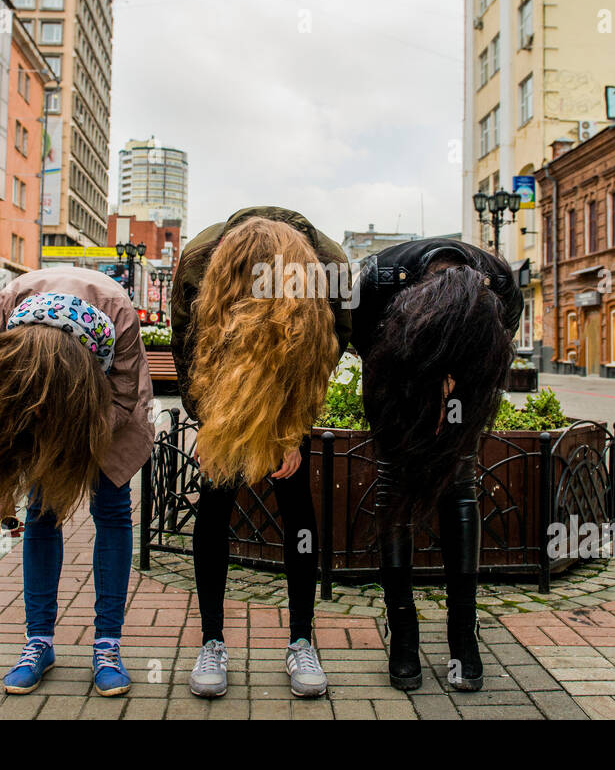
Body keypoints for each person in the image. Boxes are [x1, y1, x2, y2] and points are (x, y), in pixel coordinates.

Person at [170, 208, 351, 699]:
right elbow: (188, 347)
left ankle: (300, 639)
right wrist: (211, 424)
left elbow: (325, 351)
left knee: (298, 508)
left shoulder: (330, 268)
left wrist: (294, 429)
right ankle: (211, 641)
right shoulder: (198, 262)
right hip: (225, 374)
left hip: (291, 366)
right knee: (215, 503)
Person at [0, 268, 154, 696]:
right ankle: (39, 643)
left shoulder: (119, 315)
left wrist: (72, 435)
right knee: (41, 513)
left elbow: (123, 396)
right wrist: (0, 487)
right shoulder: (3, 312)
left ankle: (107, 646)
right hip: (34, 410)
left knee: (113, 513)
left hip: (104, 410)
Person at [351, 238, 521, 692]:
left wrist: (457, 377)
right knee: (395, 482)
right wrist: (421, 383)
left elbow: (499, 338)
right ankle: (402, 631)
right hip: (396, 369)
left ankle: (463, 633)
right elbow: (363, 341)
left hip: (468, 368)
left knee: (460, 480)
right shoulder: (376, 280)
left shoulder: (500, 283)